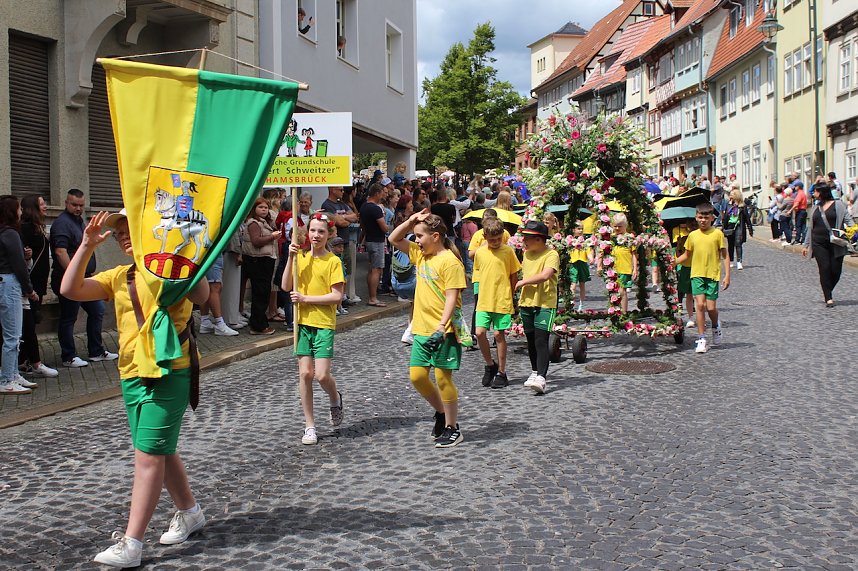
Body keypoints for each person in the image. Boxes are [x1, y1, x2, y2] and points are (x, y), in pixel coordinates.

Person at [61, 210, 208, 567]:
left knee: (148, 454)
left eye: (131, 230)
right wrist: (85, 245)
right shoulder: (119, 276)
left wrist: (188, 252)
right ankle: (190, 512)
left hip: (170, 371)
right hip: (131, 373)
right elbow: (70, 289)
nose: (124, 236)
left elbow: (202, 294)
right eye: (119, 232)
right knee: (158, 448)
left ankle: (132, 543)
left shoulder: (172, 268)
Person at [388, 211, 466, 448]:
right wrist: (411, 222)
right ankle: (441, 412)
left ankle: (453, 428)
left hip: (444, 331)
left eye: (420, 236)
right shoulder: (420, 255)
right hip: (421, 329)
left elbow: (452, 298)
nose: (416, 240)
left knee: (443, 379)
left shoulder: (450, 262)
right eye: (415, 236)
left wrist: (442, 326)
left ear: (435, 236)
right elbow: (393, 239)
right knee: (417, 376)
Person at [282, 212, 345, 445]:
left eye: (321, 231)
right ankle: (310, 426)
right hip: (303, 324)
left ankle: (334, 397)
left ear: (329, 234)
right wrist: (290, 258)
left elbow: (337, 296)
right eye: (312, 230)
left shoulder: (333, 261)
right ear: (306, 232)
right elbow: (285, 285)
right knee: (305, 373)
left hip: (323, 324)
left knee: (320, 375)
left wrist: (306, 299)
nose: (316, 235)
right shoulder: (300, 257)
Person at [50, 189, 117, 367]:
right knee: (69, 317)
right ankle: (68, 356)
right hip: (68, 280)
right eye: (74, 205)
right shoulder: (62, 223)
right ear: (66, 203)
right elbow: (60, 252)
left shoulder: (79, 221)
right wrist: (74, 274)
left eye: (81, 205)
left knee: (97, 310)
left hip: (85, 278)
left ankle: (96, 351)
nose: (78, 208)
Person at [675, 203, 730, 354]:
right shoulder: (692, 236)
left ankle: (715, 325)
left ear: (712, 218)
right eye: (700, 217)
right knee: (699, 305)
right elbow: (686, 255)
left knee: (710, 307)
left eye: (706, 217)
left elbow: (725, 255)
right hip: (696, 274)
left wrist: (727, 275)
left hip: (712, 275)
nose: (703, 220)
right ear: (696, 218)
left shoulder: (718, 234)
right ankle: (701, 338)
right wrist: (671, 262)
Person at [472, 217, 520, 389]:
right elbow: (479, 273)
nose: (496, 242)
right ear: (485, 236)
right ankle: (489, 364)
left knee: (499, 335)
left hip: (502, 299)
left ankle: (501, 371)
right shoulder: (480, 253)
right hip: (485, 299)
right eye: (492, 240)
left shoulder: (508, 251)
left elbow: (513, 274)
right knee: (479, 333)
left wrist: (513, 295)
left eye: (499, 239)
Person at [514, 220, 559, 395]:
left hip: (545, 302)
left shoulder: (551, 254)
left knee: (541, 340)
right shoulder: (526, 254)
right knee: (531, 339)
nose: (524, 240)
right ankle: (534, 371)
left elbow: (546, 275)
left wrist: (522, 282)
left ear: (539, 239)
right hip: (527, 301)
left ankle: (541, 377)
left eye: (527, 237)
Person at [0, 196, 40, 394]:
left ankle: (13, 373)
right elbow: (19, 266)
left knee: (12, 335)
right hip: (9, 284)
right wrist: (30, 290)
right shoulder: (10, 234)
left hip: (4, 283)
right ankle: (7, 379)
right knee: (13, 336)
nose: (21, 212)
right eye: (18, 209)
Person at [18, 195, 58, 378]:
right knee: (28, 324)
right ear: (32, 208)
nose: (45, 207)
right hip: (30, 285)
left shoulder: (37, 228)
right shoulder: (26, 229)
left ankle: (24, 360)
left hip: (38, 283)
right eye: (42, 204)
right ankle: (29, 361)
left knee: (31, 322)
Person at [802, 183, 855, 307]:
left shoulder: (839, 205)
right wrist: (806, 245)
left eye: (815, 191)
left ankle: (828, 288)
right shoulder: (815, 207)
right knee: (824, 268)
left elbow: (849, 220)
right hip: (818, 243)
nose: (813, 194)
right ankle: (828, 297)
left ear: (822, 192)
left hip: (836, 242)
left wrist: (853, 231)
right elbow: (810, 228)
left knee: (836, 270)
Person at [242, 197, 282, 335]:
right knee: (260, 293)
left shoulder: (265, 221)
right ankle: (258, 325)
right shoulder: (253, 223)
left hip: (265, 259)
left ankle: (260, 322)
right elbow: (256, 241)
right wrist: (272, 236)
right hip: (257, 261)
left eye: (266, 207)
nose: (264, 210)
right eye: (261, 207)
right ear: (254, 209)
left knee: (263, 293)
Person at [359, 183, 389, 307]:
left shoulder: (364, 207)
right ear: (377, 193)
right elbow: (384, 228)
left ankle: (372, 296)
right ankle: (373, 297)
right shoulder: (375, 209)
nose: (383, 195)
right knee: (376, 270)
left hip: (369, 239)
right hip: (377, 240)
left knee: (372, 269)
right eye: (382, 193)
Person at [601, 213, 636, 314]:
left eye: (619, 226)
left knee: (622, 291)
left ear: (625, 226)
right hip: (612, 269)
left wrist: (635, 269)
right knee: (613, 290)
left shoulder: (629, 238)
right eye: (615, 226)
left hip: (625, 268)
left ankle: (624, 312)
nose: (617, 228)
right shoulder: (611, 238)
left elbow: (633, 254)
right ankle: (614, 310)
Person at [197, 254, 239, 336]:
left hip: (207, 252)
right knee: (215, 286)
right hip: (212, 252)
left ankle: (205, 321)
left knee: (206, 285)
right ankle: (219, 324)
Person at [721, 188, 753, 270]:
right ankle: (731, 261)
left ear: (736, 196)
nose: (730, 196)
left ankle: (739, 262)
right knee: (730, 244)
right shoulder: (728, 205)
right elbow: (725, 218)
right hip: (729, 226)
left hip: (739, 226)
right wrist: (723, 227)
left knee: (738, 243)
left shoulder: (742, 207)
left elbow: (747, 219)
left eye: (732, 194)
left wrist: (750, 229)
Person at [568, 222, 593, 311]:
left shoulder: (585, 241)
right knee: (573, 285)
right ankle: (571, 303)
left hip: (582, 264)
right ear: (573, 230)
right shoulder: (570, 241)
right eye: (578, 228)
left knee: (582, 285)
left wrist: (591, 258)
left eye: (582, 228)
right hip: (573, 264)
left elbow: (588, 251)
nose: (581, 230)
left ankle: (581, 304)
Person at [329, 237, 349, 315]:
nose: (341, 249)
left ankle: (339, 307)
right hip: (336, 276)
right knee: (336, 291)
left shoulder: (341, 256)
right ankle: (335, 307)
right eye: (339, 247)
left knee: (341, 292)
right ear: (333, 247)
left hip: (342, 275)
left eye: (342, 247)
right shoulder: (332, 257)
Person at [792, 181, 808, 245]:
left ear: (798, 187)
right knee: (803, 226)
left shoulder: (799, 194)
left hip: (800, 211)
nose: (794, 187)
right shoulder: (803, 193)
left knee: (798, 226)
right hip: (804, 211)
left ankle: (797, 239)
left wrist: (790, 210)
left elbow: (797, 203)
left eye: (795, 186)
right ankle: (804, 239)